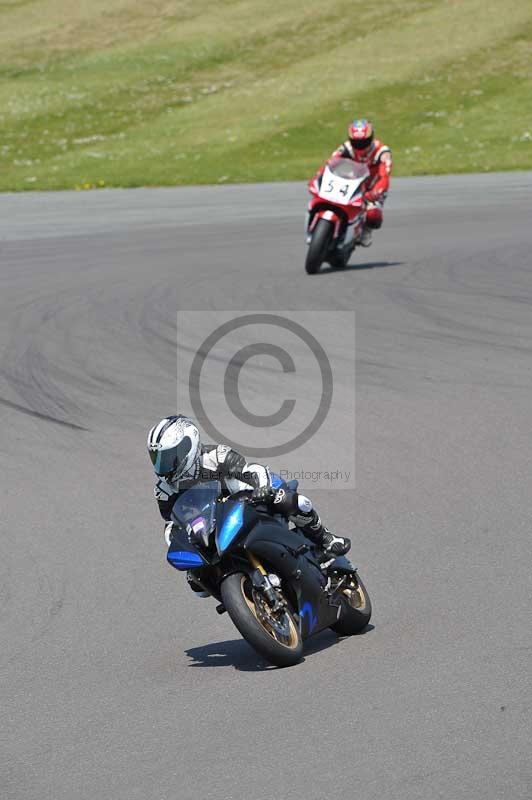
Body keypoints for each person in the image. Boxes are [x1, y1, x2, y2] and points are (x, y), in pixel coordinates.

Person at [147, 415, 351, 595]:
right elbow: (171, 524)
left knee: (287, 499)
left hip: (250, 499)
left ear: (187, 446)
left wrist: (262, 488)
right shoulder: (165, 490)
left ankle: (325, 538)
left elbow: (250, 470)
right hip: (212, 525)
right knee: (197, 582)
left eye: (168, 457)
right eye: (157, 459)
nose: (163, 466)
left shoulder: (215, 456)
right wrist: (179, 541)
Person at [314, 118, 392, 247]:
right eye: (356, 142)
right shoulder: (346, 147)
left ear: (371, 137)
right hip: (350, 183)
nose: (360, 145)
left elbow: (384, 176)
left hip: (371, 188)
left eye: (364, 142)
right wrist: (319, 176)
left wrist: (376, 191)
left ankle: (366, 230)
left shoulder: (382, 152)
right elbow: (330, 163)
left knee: (373, 215)